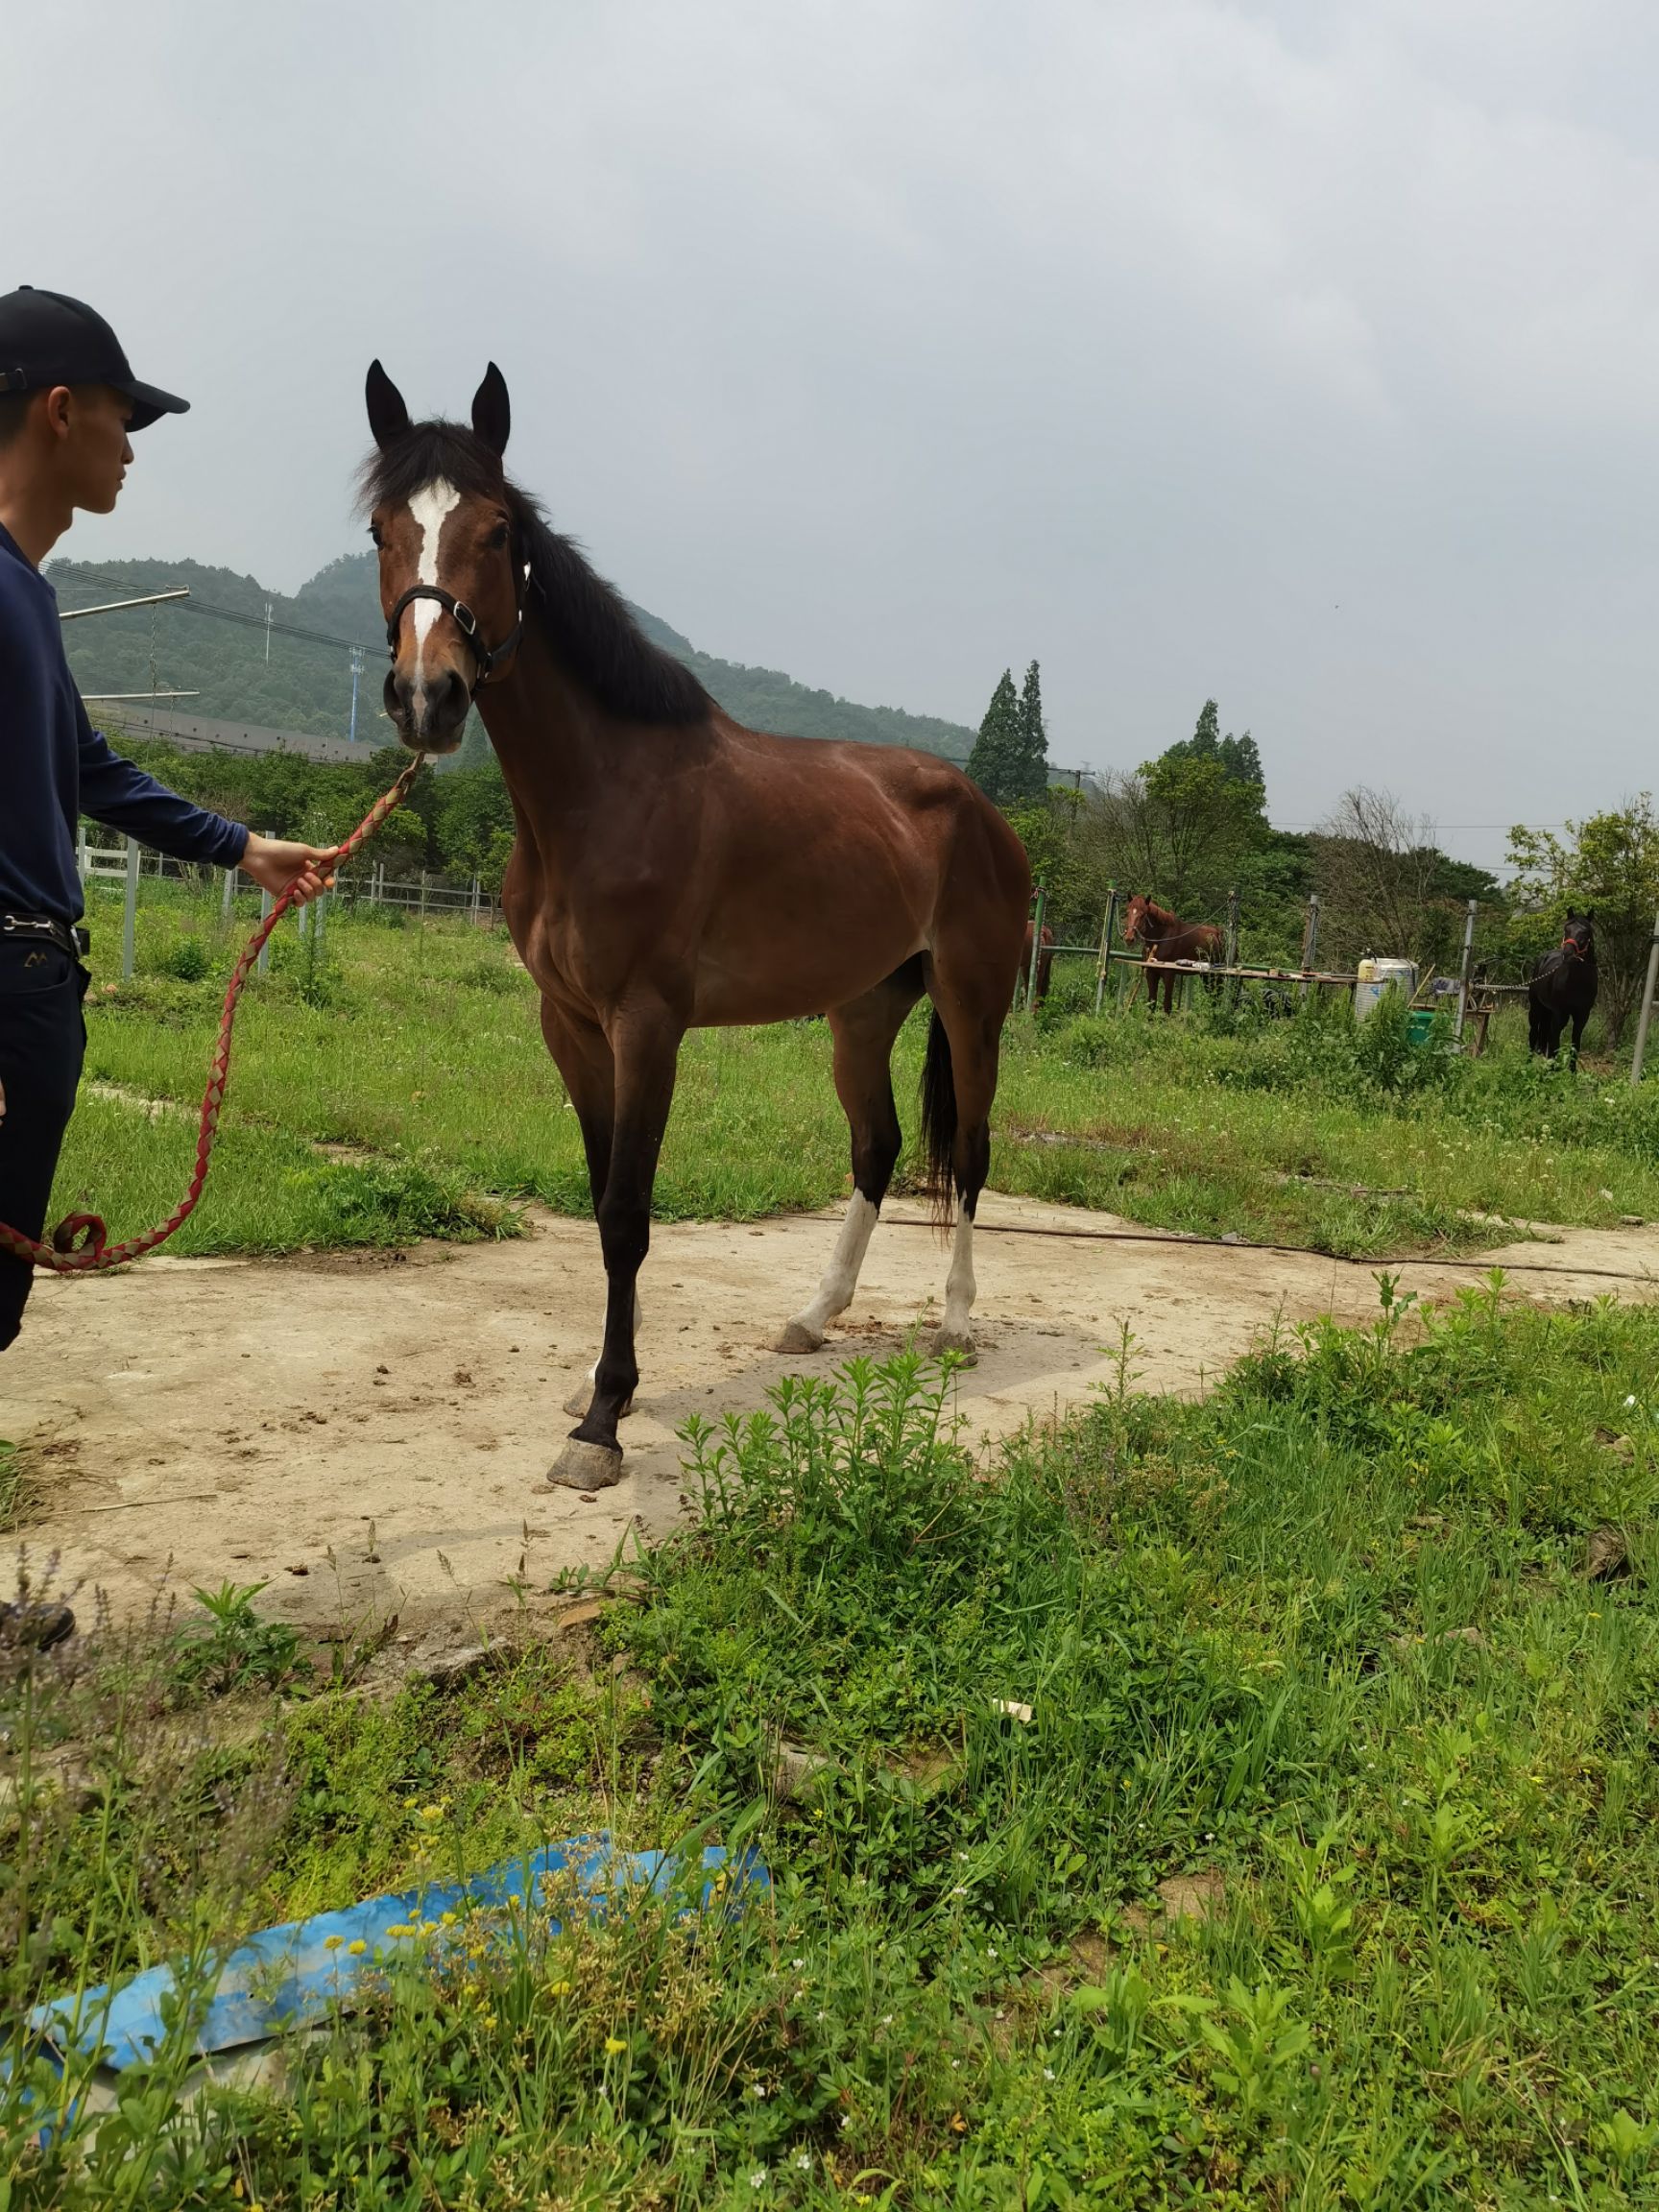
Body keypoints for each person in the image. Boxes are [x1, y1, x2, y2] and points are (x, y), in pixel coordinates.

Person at [0, 286, 336, 1647]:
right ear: (58, 411)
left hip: (33, 986)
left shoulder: (25, 596)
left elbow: (85, 770)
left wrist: (239, 845)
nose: (135, 450)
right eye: (126, 420)